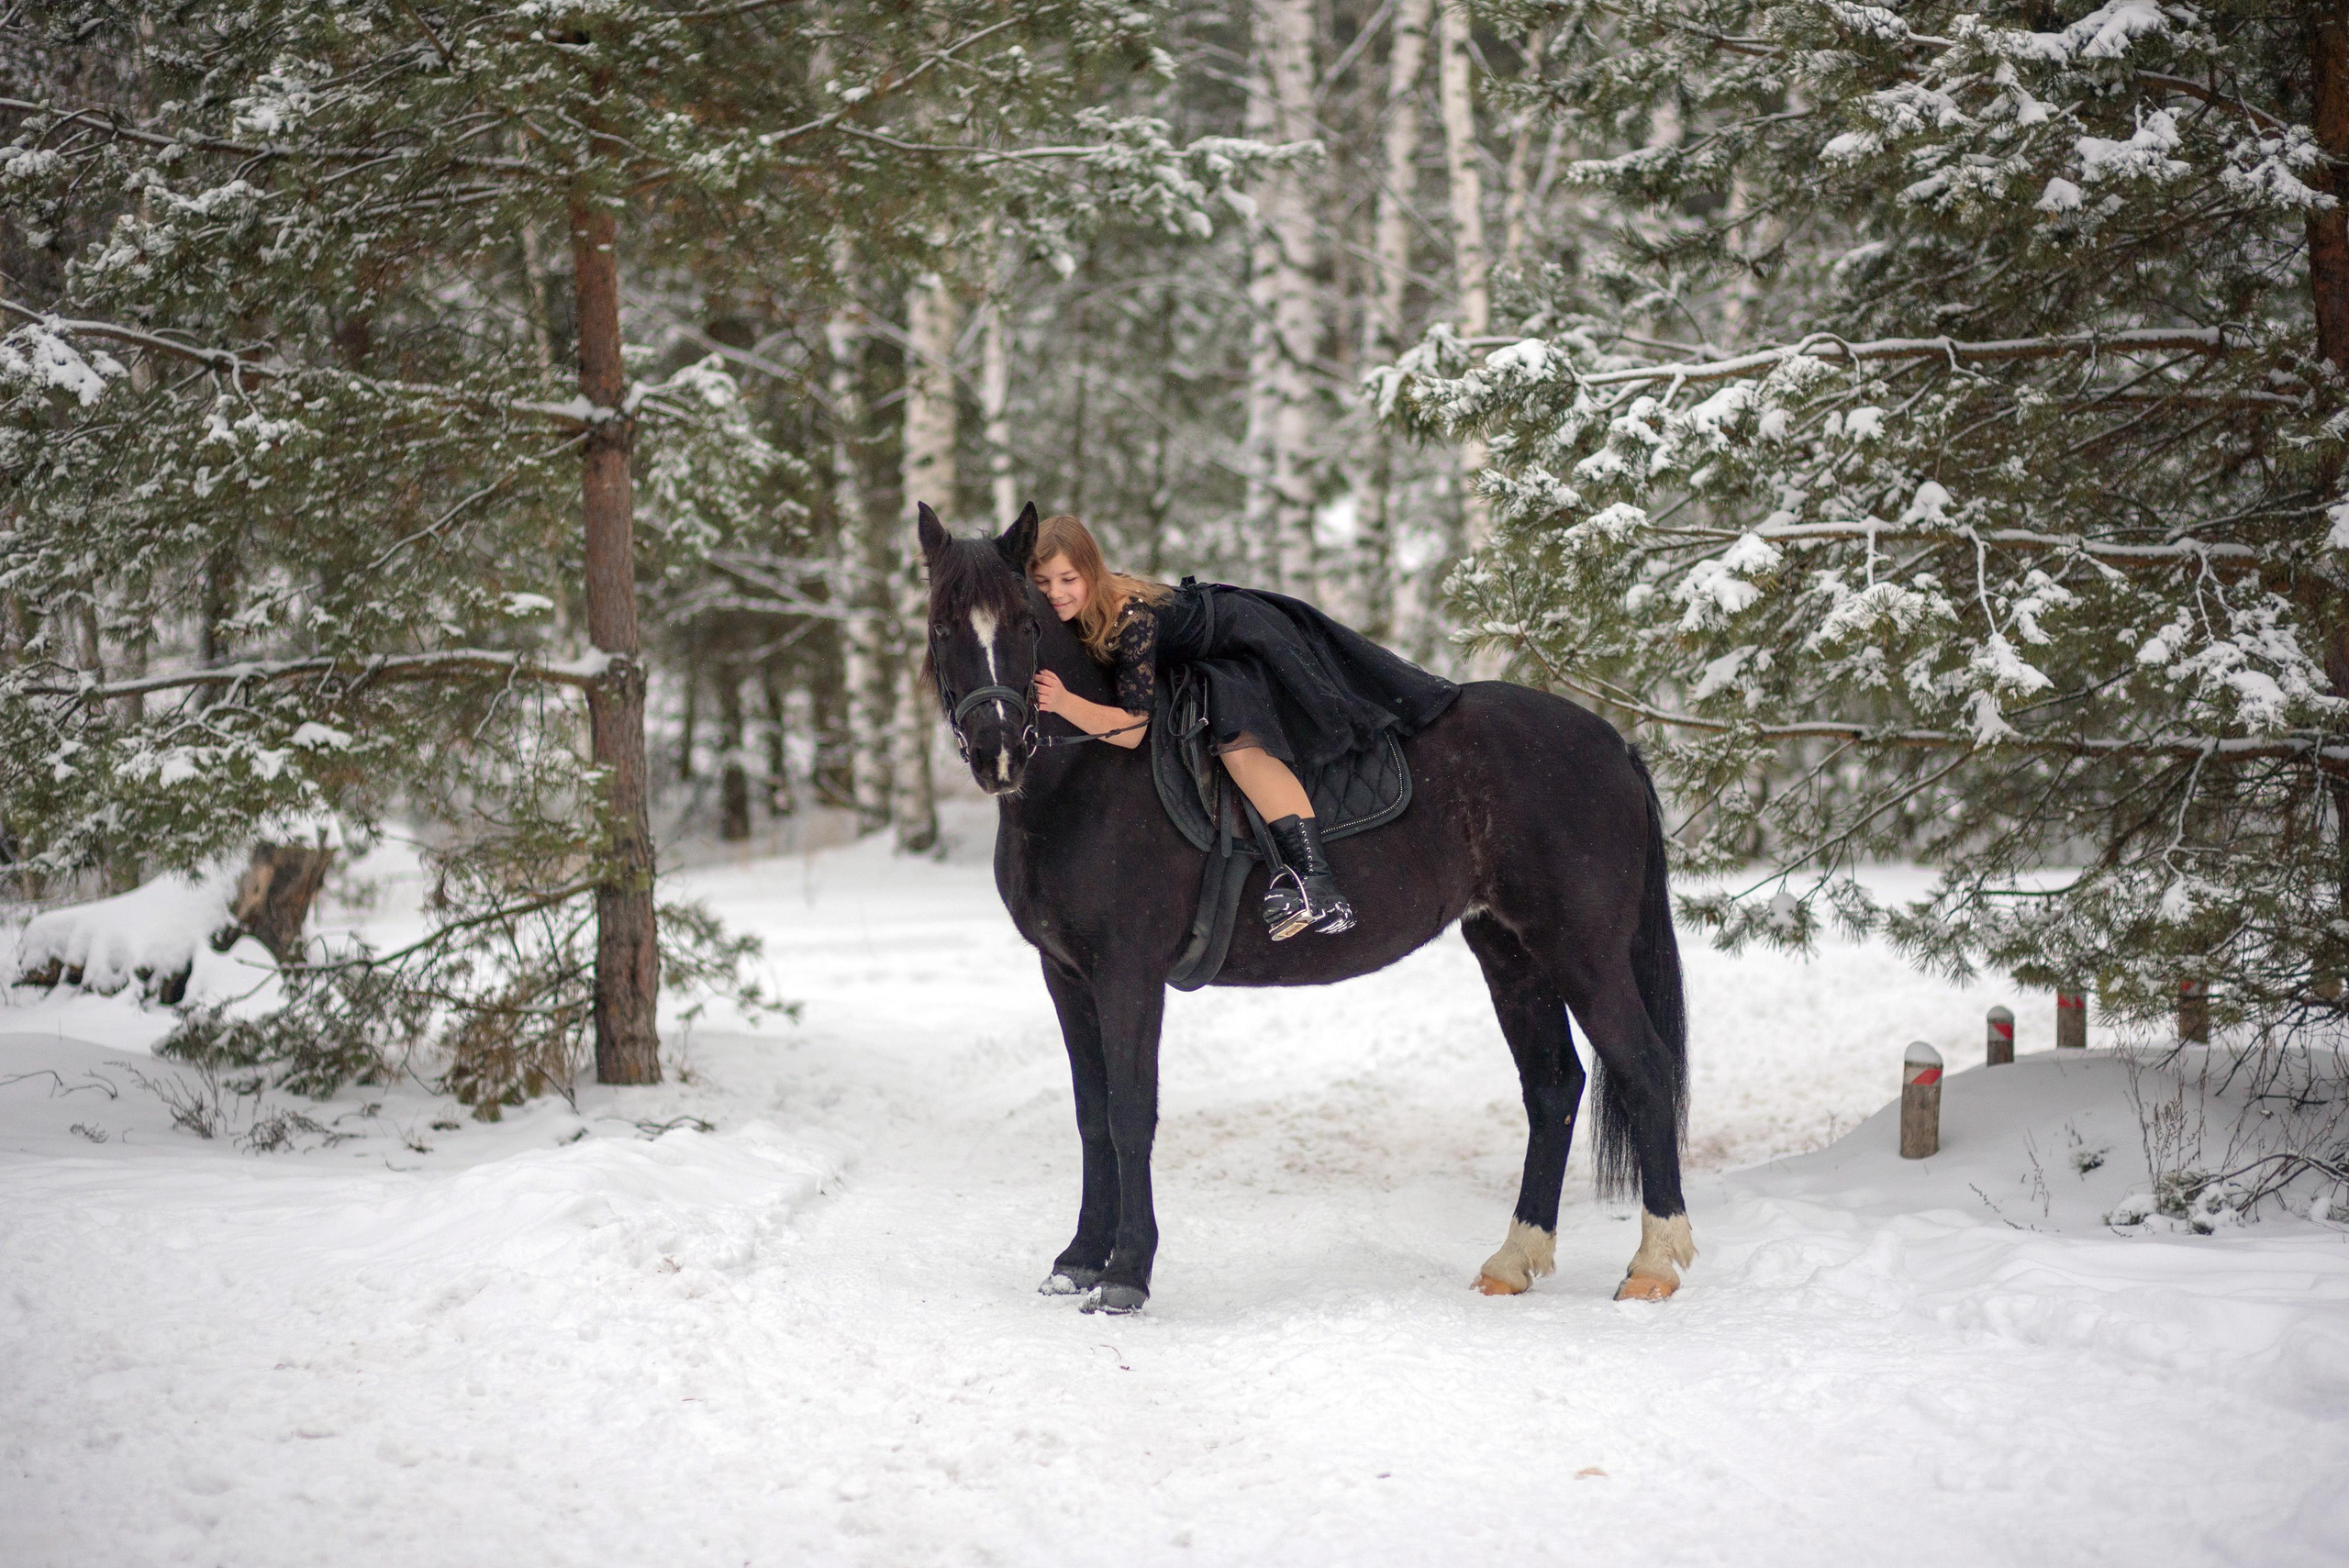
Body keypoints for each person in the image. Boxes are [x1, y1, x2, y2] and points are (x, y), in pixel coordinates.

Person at [1026, 515, 1458, 939]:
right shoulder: (1082, 611)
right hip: (1205, 649)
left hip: (1242, 641)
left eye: (1068, 579)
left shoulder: (1130, 618)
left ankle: (1318, 881)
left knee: (1239, 747)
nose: (1056, 593)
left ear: (1093, 573)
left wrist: (1065, 703)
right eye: (1043, 582)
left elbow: (1134, 728)